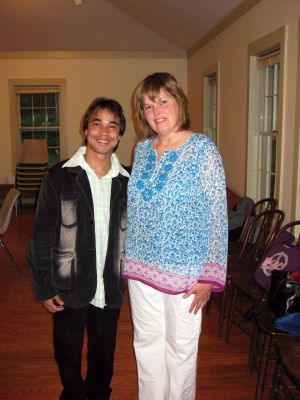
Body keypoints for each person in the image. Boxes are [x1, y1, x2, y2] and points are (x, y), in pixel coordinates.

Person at [123, 72, 228, 400]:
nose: (156, 112)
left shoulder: (203, 149)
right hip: (140, 269)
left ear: (179, 101)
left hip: (187, 273)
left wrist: (210, 274)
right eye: (147, 106)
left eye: (162, 101)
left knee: (181, 351)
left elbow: (217, 213)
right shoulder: (140, 150)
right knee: (147, 345)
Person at [28, 97, 129, 400]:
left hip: (110, 286)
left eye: (112, 125)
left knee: (104, 354)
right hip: (67, 285)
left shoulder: (128, 181)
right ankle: (73, 394)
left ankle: (98, 395)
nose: (104, 131)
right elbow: (41, 236)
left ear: (119, 134)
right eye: (97, 123)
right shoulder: (58, 176)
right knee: (67, 351)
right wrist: (44, 288)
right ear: (85, 129)